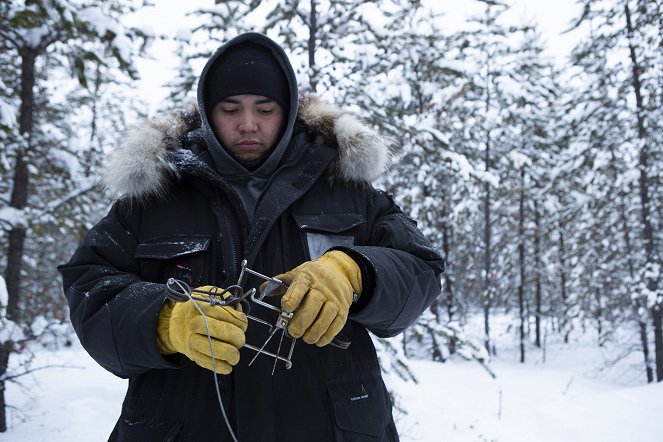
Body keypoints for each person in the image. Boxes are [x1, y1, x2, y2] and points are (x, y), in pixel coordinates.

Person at [59, 32, 444, 441]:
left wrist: (356, 273)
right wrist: (166, 322)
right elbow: (91, 289)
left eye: (264, 109)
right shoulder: (156, 196)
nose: (248, 124)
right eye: (230, 109)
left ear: (289, 110)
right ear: (208, 112)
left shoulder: (343, 187)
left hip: (330, 427)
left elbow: (421, 268)